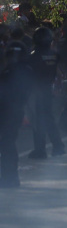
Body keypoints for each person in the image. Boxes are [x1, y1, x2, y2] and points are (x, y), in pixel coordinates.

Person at [27, 28, 65, 159]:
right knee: (48, 119)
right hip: (48, 89)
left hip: (36, 90)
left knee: (39, 121)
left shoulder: (33, 56)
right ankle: (57, 145)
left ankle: (41, 149)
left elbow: (28, 74)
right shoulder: (54, 55)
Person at [0, 42, 33, 188]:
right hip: (15, 111)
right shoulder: (28, 70)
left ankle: (10, 177)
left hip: (9, 111)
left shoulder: (9, 72)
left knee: (7, 144)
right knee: (8, 143)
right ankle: (10, 176)